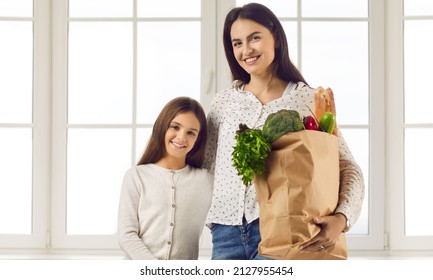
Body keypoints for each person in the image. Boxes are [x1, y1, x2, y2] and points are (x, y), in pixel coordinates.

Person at [203, 3, 365, 260]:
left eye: (254, 38)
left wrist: (341, 218)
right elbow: (203, 169)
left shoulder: (306, 100)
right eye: (237, 43)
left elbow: (347, 167)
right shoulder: (223, 103)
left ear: (275, 38)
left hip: (285, 231)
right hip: (225, 237)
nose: (246, 50)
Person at [117, 96, 213, 260]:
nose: (182, 137)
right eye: (175, 127)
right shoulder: (136, 176)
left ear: (198, 140)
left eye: (191, 132)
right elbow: (126, 236)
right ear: (162, 127)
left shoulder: (206, 181)